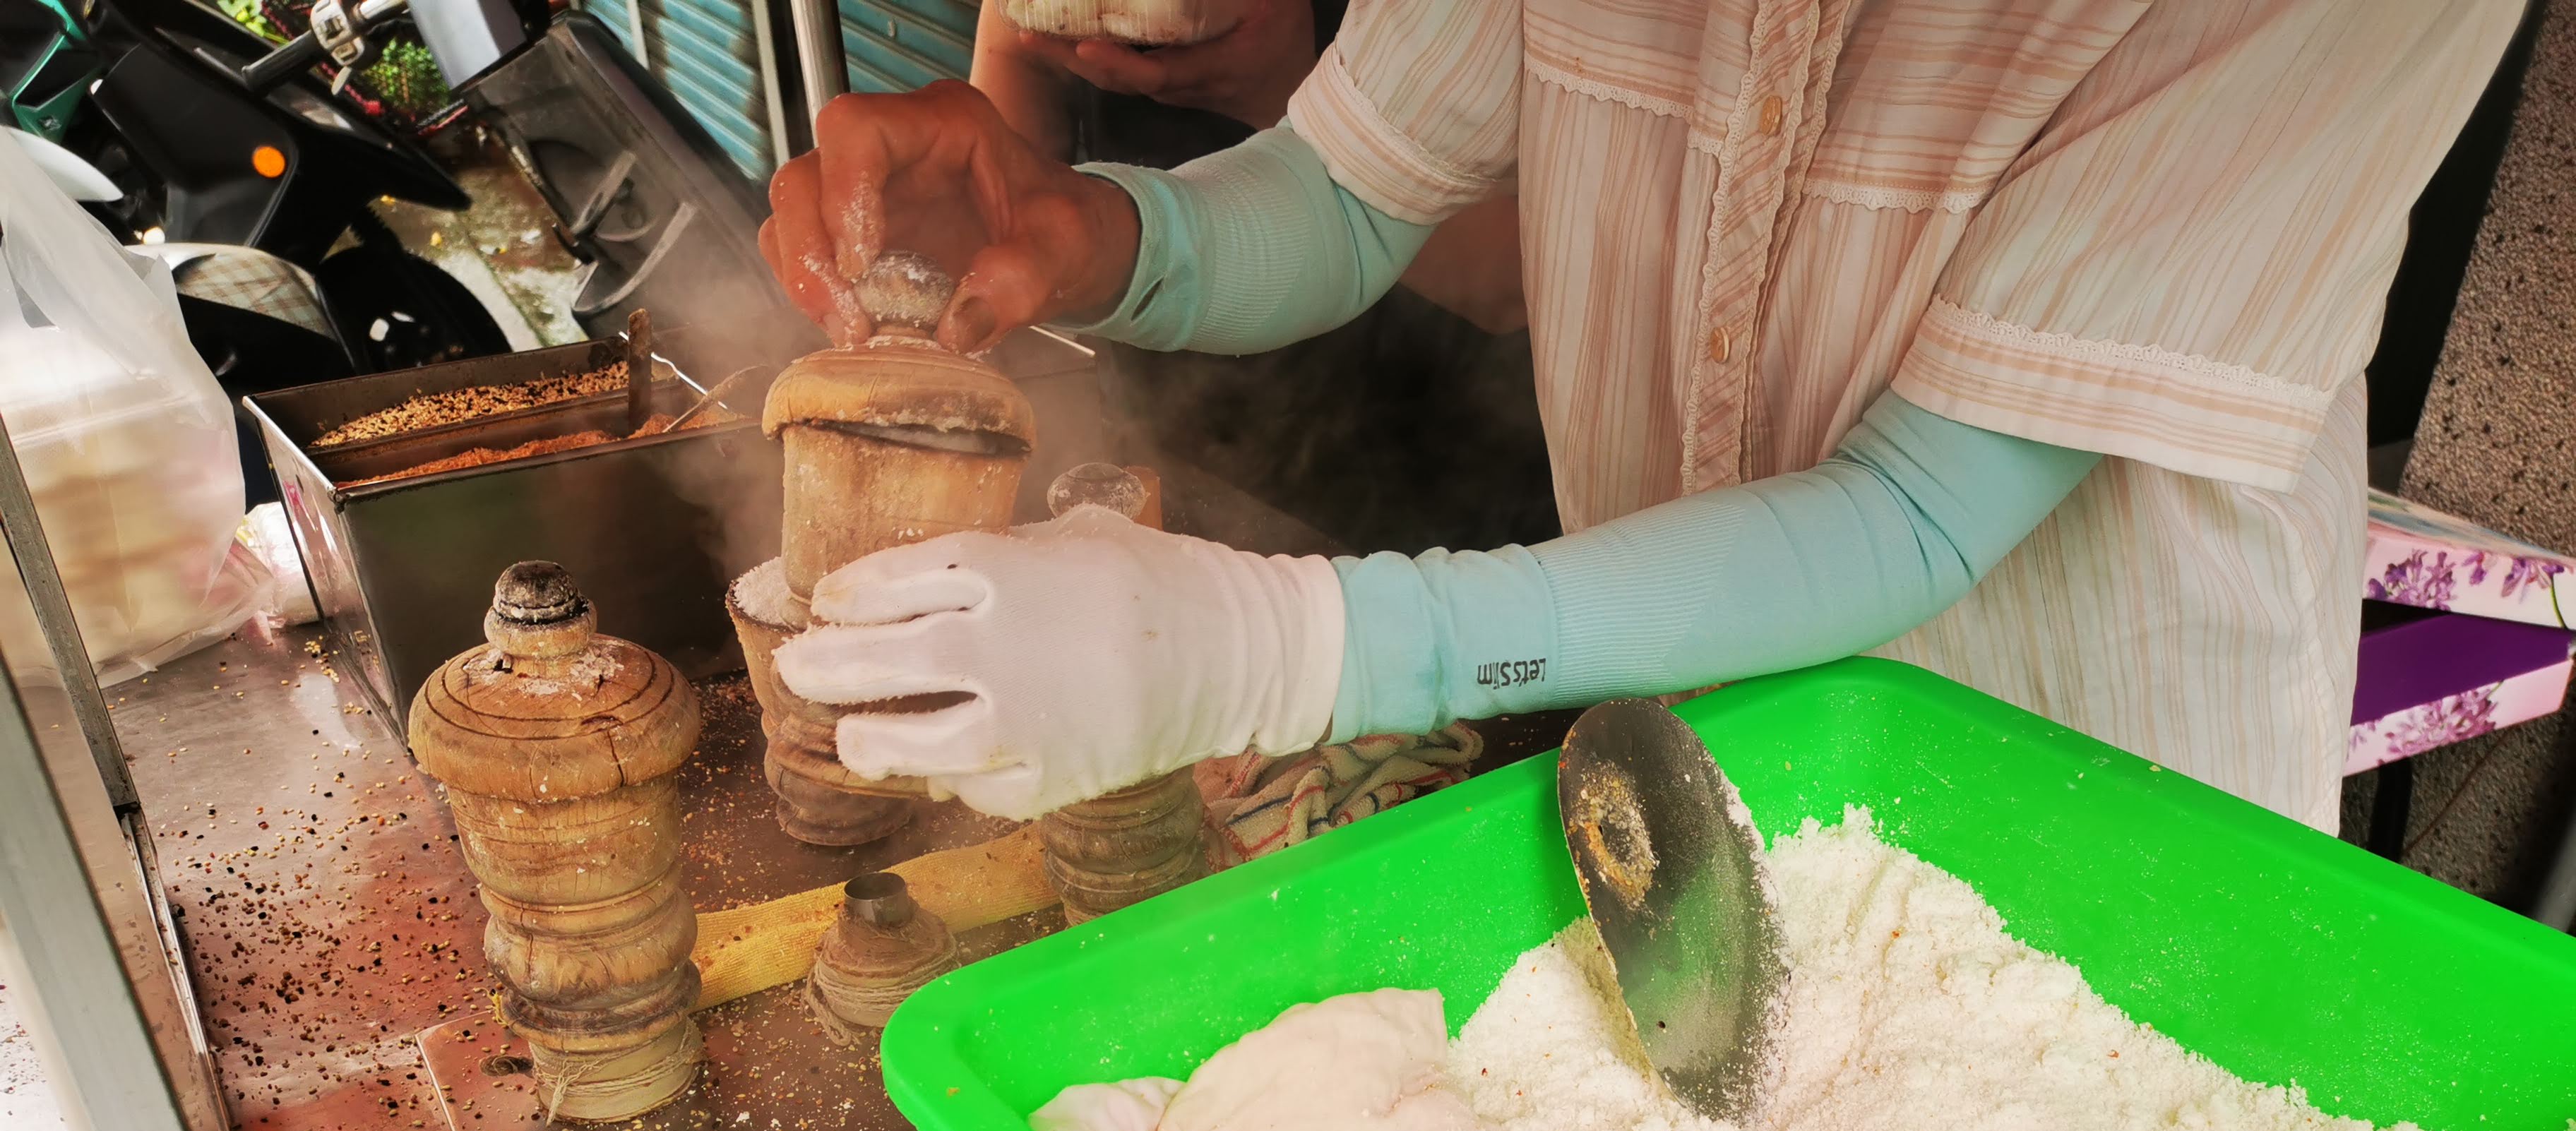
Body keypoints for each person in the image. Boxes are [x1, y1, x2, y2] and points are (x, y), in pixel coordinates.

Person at [760, 0, 2524, 831]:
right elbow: (1352, 190)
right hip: (1687, 739)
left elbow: (1912, 513)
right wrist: (1093, 236)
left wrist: (1281, 642)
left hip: (2081, 825)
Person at [966, 0, 1549, 557]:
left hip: (1427, 506)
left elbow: (1515, 280)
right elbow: (1018, 46)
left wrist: (1287, 92)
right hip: (1159, 434)